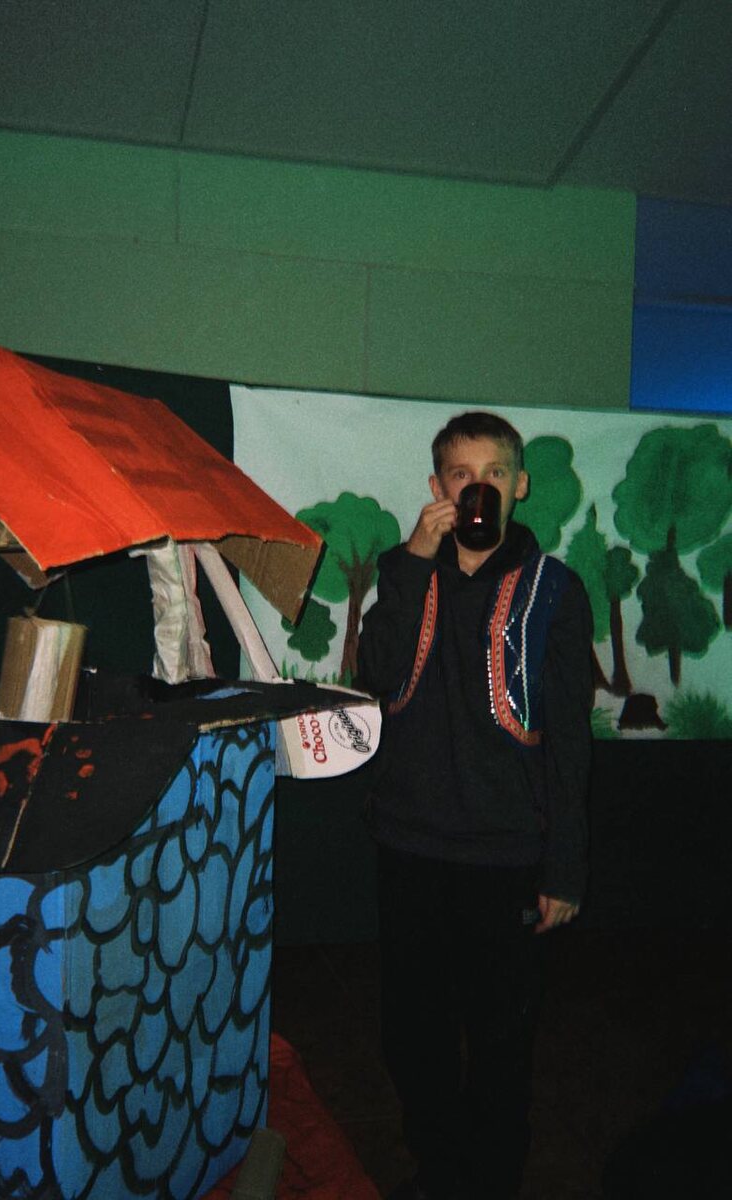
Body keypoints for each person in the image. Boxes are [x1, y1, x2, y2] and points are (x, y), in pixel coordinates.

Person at [357, 412, 594, 1200]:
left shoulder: (556, 591)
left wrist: (564, 867)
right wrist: (412, 561)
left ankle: (490, 1184)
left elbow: (570, 741)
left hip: (505, 857)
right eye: (461, 474)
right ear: (438, 488)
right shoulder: (406, 572)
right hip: (411, 847)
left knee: (501, 1044)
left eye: (494, 472)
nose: (478, 487)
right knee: (411, 1037)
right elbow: (374, 675)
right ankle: (439, 1173)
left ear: (519, 485)